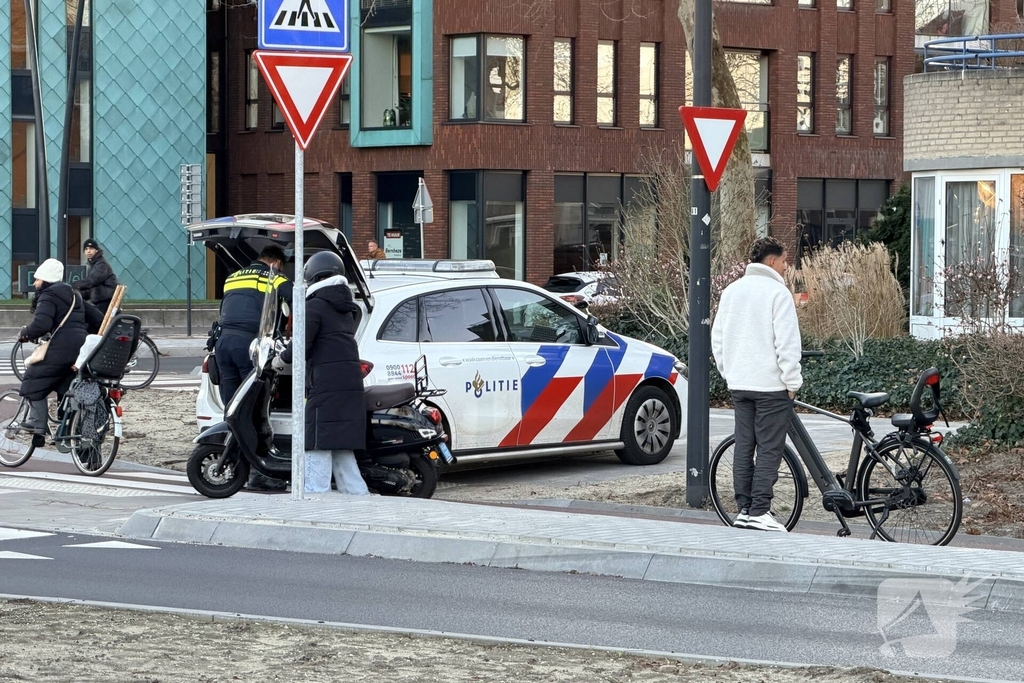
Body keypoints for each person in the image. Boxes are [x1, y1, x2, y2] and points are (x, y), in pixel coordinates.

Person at [711, 236, 803, 533]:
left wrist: (729, 372)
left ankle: (744, 509)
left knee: (744, 446)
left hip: (740, 384)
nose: (787, 267)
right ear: (773, 261)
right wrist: (792, 381)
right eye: (785, 261)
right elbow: (787, 343)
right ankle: (760, 510)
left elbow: (718, 338)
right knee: (769, 448)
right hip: (771, 386)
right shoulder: (778, 293)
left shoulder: (731, 291)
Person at [280, 251, 369, 495]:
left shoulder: (315, 307)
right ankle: (361, 501)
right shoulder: (345, 308)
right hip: (348, 384)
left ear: (314, 277)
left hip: (326, 386)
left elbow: (300, 346)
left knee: (317, 444)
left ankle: (314, 499)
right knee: (341, 450)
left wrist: (280, 359)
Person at [215, 244, 293, 491]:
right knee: (252, 409)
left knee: (233, 410)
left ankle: (236, 468)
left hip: (223, 345)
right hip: (248, 346)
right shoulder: (275, 277)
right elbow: (298, 303)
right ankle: (259, 474)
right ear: (276, 262)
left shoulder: (232, 278)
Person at [19, 259, 88, 437]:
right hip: (79, 348)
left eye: (37, 279)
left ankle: (37, 424)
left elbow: (42, 324)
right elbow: (97, 318)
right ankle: (67, 428)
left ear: (46, 280)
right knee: (63, 382)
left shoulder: (48, 296)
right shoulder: (75, 295)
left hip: (61, 347)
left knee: (32, 379)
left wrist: (26, 333)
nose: (35, 283)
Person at [72, 239, 119, 314]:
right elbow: (90, 286)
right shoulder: (94, 264)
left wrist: (73, 285)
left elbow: (92, 281)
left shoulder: (101, 264)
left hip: (106, 301)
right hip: (101, 300)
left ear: (96, 250)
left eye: (91, 248)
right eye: (86, 249)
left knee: (89, 320)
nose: (88, 251)